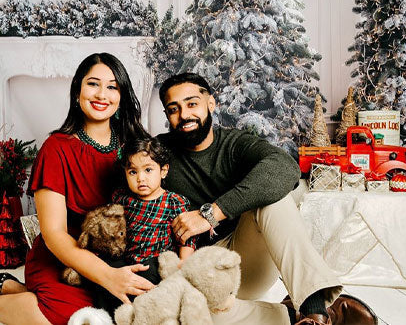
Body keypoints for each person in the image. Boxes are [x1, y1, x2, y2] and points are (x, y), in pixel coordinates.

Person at [0, 52, 155, 325]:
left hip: (117, 255)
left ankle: (10, 287)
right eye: (93, 84)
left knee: (130, 311)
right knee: (69, 318)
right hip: (65, 256)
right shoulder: (57, 148)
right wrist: (107, 276)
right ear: (77, 91)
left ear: (121, 96)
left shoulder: (137, 148)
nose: (102, 94)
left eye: (112, 86)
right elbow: (54, 235)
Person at [156, 72, 379, 325]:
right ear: (167, 116)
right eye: (174, 109)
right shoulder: (157, 154)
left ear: (210, 103)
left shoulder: (234, 144)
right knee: (190, 315)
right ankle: (302, 318)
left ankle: (313, 306)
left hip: (245, 263)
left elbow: (285, 168)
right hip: (198, 273)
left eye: (192, 103)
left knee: (272, 195)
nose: (184, 115)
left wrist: (211, 214)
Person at [93, 136, 197, 314]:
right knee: (103, 274)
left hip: (154, 262)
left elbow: (186, 237)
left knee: (152, 279)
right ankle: (105, 315)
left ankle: (142, 312)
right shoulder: (121, 198)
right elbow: (110, 226)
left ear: (163, 171)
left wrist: (183, 264)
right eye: (133, 172)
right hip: (126, 261)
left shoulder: (174, 202)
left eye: (148, 170)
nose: (141, 178)